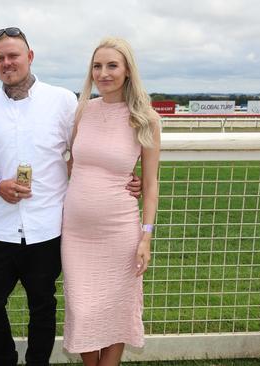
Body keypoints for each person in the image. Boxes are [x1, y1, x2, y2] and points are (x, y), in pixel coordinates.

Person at [0, 28, 140, 366]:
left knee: (42, 305)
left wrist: (127, 178)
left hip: (49, 225)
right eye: (0, 58)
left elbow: (88, 152)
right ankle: (3, 357)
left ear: (30, 57)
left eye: (13, 55)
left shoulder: (63, 101)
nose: (7, 63)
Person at [61, 37, 161, 366]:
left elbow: (149, 183)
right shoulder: (84, 111)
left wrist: (146, 235)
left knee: (118, 307)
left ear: (128, 70)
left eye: (112, 65)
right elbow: (74, 163)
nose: (103, 73)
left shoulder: (145, 118)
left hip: (120, 232)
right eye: (97, 66)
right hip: (76, 233)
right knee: (82, 307)